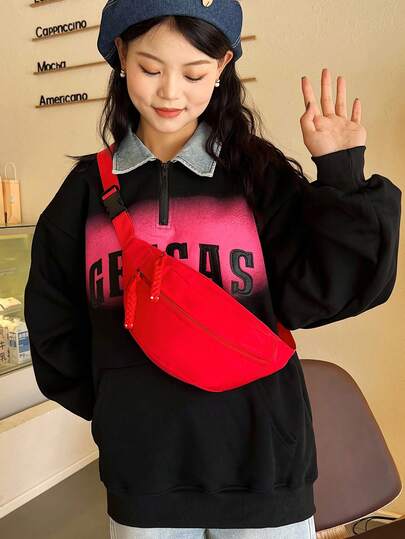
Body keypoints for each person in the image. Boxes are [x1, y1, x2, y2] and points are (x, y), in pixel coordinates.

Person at [23, 1, 402, 538]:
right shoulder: (82, 195)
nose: (170, 92)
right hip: (145, 479)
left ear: (222, 66)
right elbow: (53, 327)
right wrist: (120, 407)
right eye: (150, 68)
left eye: (194, 73)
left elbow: (324, 292)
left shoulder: (257, 174)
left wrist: (340, 171)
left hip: (265, 471)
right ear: (121, 57)